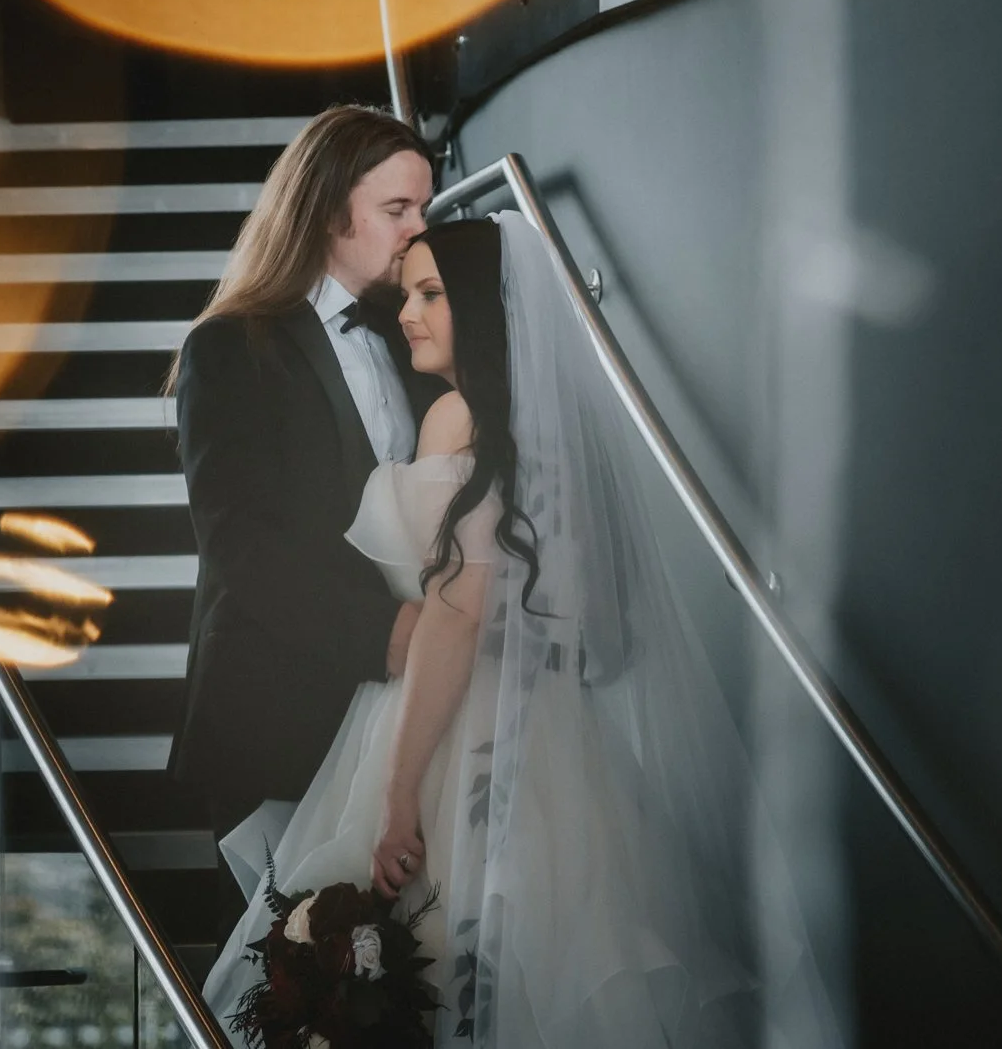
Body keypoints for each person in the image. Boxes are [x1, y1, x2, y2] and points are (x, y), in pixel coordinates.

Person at [202, 213, 841, 1047]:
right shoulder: (551, 438)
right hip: (554, 736)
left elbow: (456, 615)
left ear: (482, 305)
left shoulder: (455, 419)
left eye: (431, 294)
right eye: (408, 294)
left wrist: (399, 794)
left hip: (448, 729)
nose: (406, 313)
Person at [169, 105, 447, 894]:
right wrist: (388, 633)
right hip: (277, 717)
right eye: (397, 209)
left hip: (397, 717)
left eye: (424, 207)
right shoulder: (229, 346)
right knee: (297, 961)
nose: (418, 230)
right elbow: (242, 546)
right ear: (328, 211)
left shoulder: (413, 336)